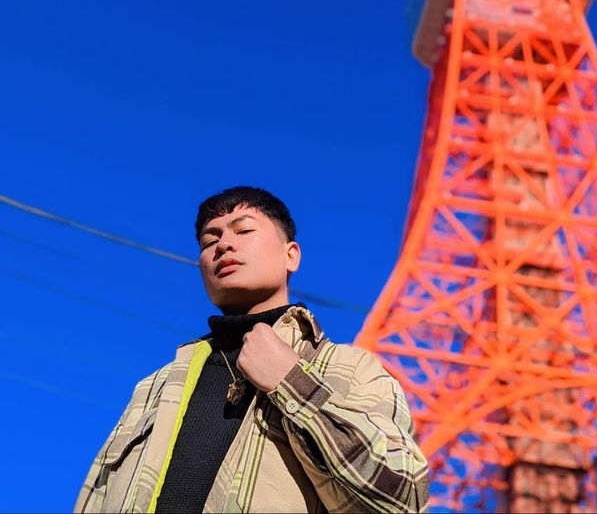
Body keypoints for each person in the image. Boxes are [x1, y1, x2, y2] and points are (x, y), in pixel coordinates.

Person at [74, 186, 430, 513]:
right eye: (208, 240)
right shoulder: (155, 386)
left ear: (291, 255)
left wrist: (292, 383)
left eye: (243, 231)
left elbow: (404, 501)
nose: (223, 245)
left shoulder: (351, 369)